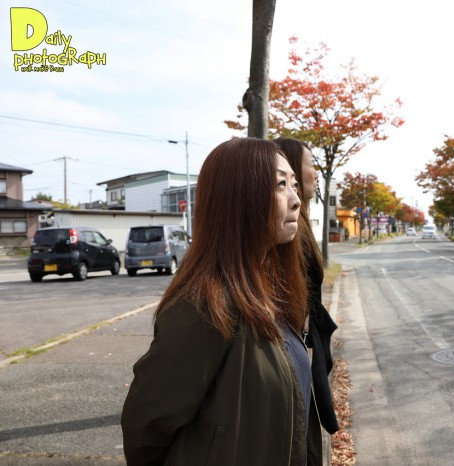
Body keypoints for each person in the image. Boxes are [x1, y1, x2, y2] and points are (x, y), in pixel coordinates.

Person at [121, 137, 311, 466]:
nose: (296, 200)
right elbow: (146, 425)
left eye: (294, 185)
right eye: (281, 185)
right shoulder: (204, 304)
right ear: (239, 198)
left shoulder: (268, 288)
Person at [274, 138, 340, 458]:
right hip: (289, 360)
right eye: (310, 165)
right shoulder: (288, 234)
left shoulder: (298, 225)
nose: (316, 173)